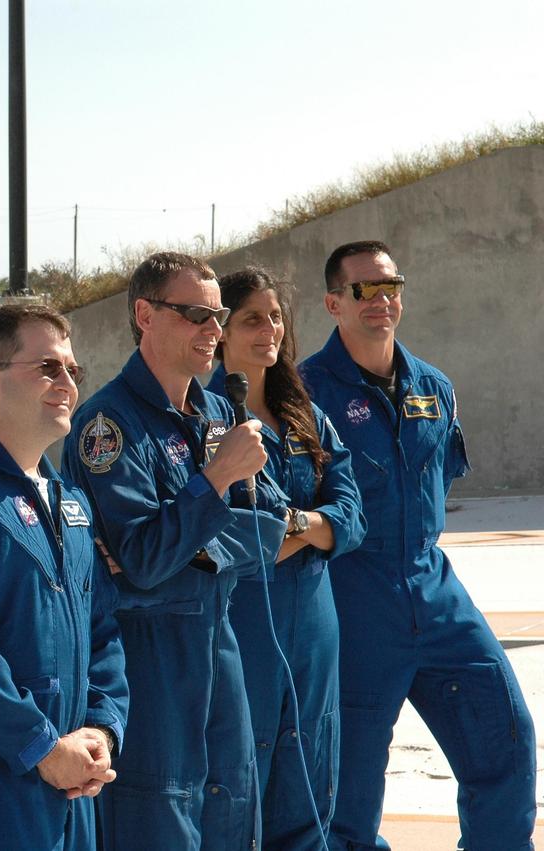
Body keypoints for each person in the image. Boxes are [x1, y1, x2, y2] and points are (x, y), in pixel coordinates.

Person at [301, 241, 536, 850]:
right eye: (364, 289)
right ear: (334, 302)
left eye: (391, 285)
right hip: (352, 600)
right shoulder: (303, 396)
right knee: (346, 795)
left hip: (435, 593)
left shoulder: (434, 385)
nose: (381, 300)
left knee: (507, 743)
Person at [62, 251, 288, 850]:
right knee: (160, 811)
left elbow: (271, 526)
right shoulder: (107, 426)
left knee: (233, 805)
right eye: (196, 315)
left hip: (219, 633)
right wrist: (214, 486)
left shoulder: (219, 411)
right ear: (146, 314)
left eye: (218, 316)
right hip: (150, 650)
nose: (214, 331)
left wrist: (189, 538)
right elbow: (141, 562)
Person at [0, 305, 130, 851]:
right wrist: (40, 747)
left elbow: (103, 632)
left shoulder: (71, 504)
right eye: (47, 368)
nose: (67, 384)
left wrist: (102, 731)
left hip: (72, 787)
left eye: (72, 371)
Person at [207, 267, 365, 848]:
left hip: (314, 624)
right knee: (237, 778)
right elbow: (225, 533)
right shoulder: (203, 421)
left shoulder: (305, 417)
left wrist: (295, 525)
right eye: (252, 318)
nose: (270, 329)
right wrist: (307, 528)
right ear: (219, 331)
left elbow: (352, 512)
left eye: (276, 317)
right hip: (242, 621)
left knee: (310, 767)